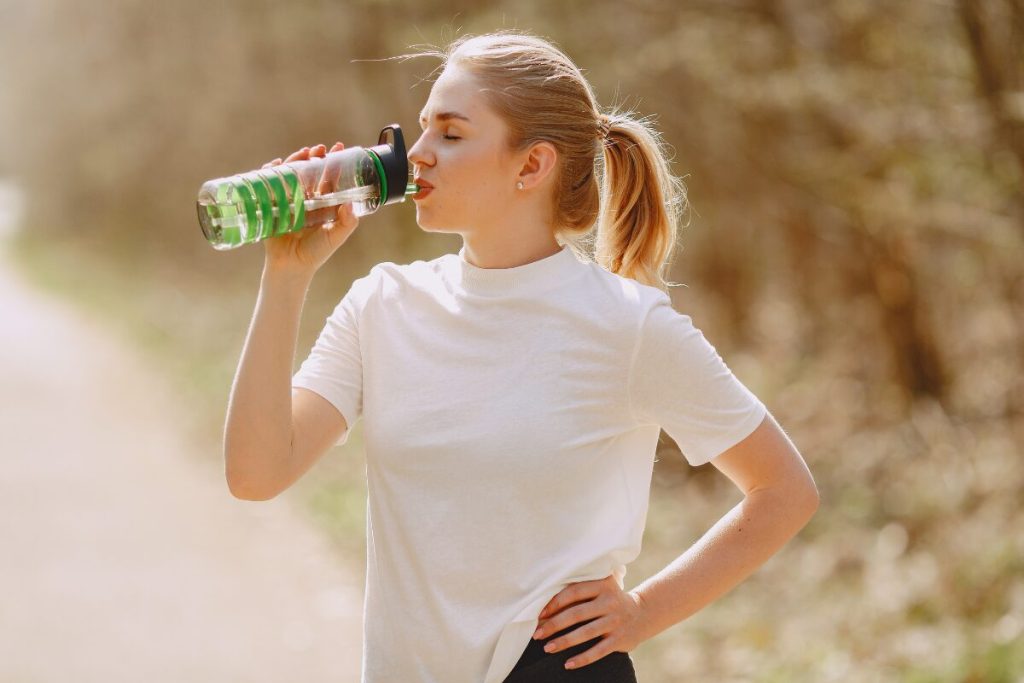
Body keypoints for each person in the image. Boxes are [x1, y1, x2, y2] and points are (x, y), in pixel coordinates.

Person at [223, 29, 819, 683]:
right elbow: (256, 472)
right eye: (423, 129)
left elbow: (783, 490)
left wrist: (643, 610)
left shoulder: (628, 325)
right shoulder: (382, 305)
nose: (416, 154)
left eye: (449, 134)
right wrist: (286, 275)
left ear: (531, 166)